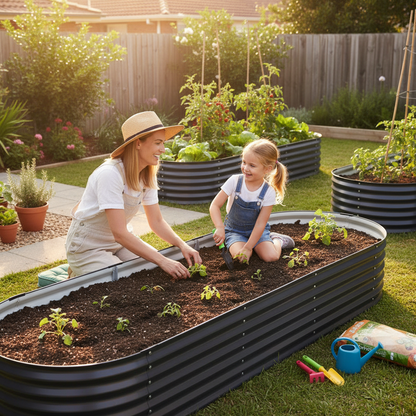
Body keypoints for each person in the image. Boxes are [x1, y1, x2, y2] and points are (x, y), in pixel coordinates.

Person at [65, 111, 202, 279]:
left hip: (117, 244)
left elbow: (157, 221)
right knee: (121, 281)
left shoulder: (146, 174)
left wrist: (182, 245)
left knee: (149, 273)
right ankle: (77, 272)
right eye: (158, 143)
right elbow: (120, 233)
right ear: (138, 143)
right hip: (88, 248)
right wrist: (163, 260)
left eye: (163, 143)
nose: (163, 149)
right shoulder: (110, 174)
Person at [210, 138, 295, 264]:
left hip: (258, 231)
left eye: (252, 165)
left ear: (267, 169)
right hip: (234, 230)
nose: (245, 168)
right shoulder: (234, 181)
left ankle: (277, 240)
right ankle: (252, 246)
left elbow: (260, 224)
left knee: (271, 257)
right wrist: (219, 227)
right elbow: (215, 205)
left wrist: (249, 246)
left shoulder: (268, 192)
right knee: (241, 258)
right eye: (244, 162)